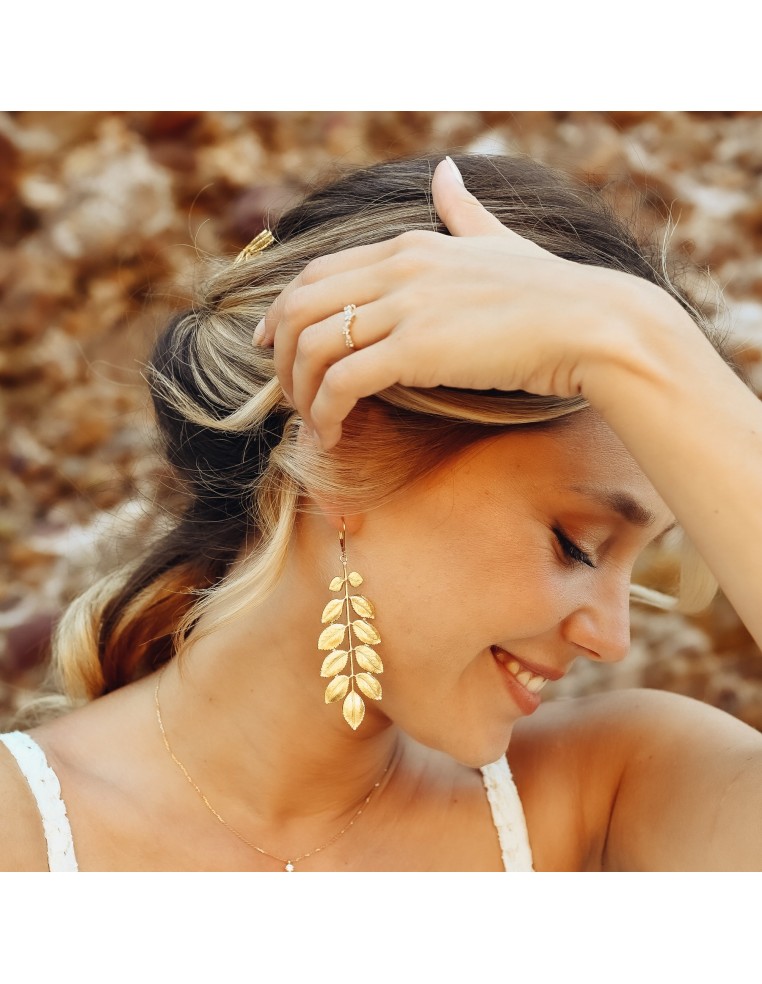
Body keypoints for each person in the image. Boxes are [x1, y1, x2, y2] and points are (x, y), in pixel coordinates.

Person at [1, 153, 760, 872]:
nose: (613, 637)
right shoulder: (22, 834)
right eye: (578, 545)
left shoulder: (607, 801)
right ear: (347, 454)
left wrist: (639, 340)